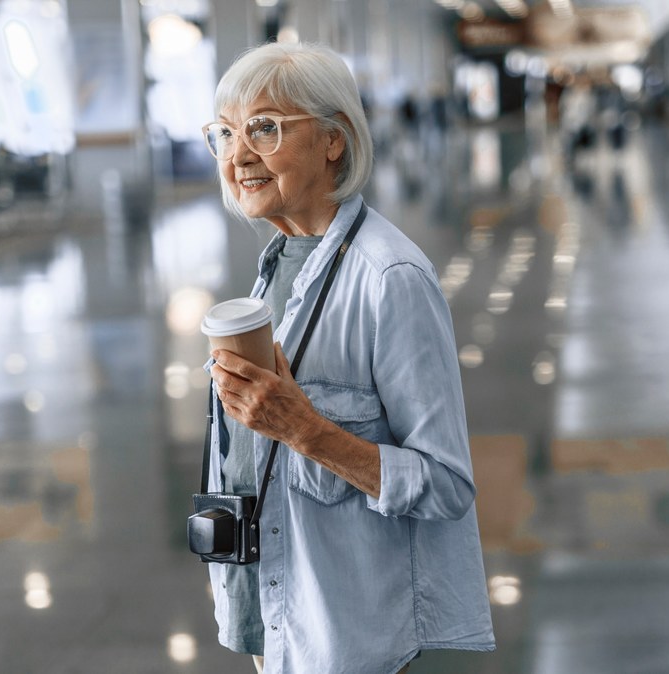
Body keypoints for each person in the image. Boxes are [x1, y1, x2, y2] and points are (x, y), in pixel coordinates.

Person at [199, 42, 495, 674]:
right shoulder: (277, 266)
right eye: (224, 133)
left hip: (345, 635)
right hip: (273, 615)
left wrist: (305, 431)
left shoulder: (390, 278)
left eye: (265, 128)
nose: (238, 154)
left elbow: (445, 485)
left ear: (333, 139)